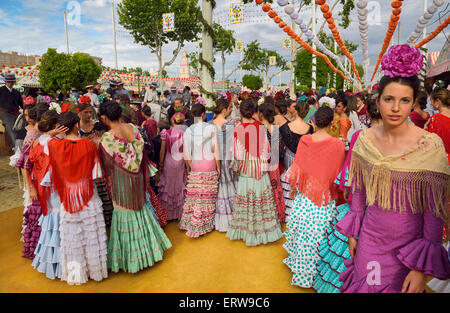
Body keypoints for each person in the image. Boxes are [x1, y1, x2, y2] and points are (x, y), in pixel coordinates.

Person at [336, 45, 450, 293]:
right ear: (378, 102)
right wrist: (353, 233)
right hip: (369, 240)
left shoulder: (430, 145)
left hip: (408, 250)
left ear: (413, 103)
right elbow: (359, 190)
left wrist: (420, 268)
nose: (396, 108)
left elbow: (433, 211)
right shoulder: (365, 140)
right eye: (389, 99)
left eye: (404, 100)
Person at [313, 99, 382, 293]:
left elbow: (351, 164)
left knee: (350, 238)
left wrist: (345, 186)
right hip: (380, 204)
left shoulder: (361, 135)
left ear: (368, 114)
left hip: (361, 195)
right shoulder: (392, 139)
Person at [98, 101, 171, 273]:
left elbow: (110, 164)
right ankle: (150, 253)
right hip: (137, 179)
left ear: (104, 117)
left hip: (121, 183)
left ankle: (133, 260)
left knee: (124, 215)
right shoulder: (134, 129)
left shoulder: (107, 138)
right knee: (140, 211)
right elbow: (139, 154)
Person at [283, 106, 345, 288]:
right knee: (319, 236)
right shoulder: (337, 145)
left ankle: (301, 269)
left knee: (303, 232)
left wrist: (294, 189)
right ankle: (317, 275)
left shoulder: (305, 140)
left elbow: (298, 167)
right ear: (332, 123)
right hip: (324, 196)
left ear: (314, 122)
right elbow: (339, 174)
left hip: (306, 193)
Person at [47, 112, 108, 285]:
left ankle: (75, 275)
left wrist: (53, 133)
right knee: (91, 236)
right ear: (77, 125)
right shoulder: (89, 145)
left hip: (68, 199)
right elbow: (96, 175)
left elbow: (42, 141)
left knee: (73, 240)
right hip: (89, 196)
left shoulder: (54, 145)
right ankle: (96, 273)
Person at [226, 99, 283, 246]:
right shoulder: (260, 127)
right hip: (260, 171)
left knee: (247, 202)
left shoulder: (238, 128)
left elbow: (236, 154)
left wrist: (238, 167)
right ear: (255, 112)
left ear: (240, 112)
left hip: (246, 172)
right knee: (261, 202)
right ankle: (265, 231)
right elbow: (267, 150)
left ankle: (246, 231)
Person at [29, 109, 63, 280]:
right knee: (57, 221)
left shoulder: (37, 141)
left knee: (51, 221)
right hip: (54, 186)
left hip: (43, 187)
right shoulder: (53, 142)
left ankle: (50, 260)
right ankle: (59, 262)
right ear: (56, 126)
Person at [179, 103, 220, 238]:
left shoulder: (189, 130)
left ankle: (191, 222)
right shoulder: (211, 128)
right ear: (203, 114)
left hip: (195, 165)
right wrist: (218, 167)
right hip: (209, 165)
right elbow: (216, 150)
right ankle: (204, 225)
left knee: (195, 196)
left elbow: (186, 152)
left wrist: (188, 167)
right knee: (207, 197)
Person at [16, 104, 46, 259]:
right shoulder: (32, 136)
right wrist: (30, 188)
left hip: (44, 182)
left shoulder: (42, 134)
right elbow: (25, 165)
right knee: (36, 217)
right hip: (36, 182)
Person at [279, 99, 314, 222]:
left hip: (289, 156)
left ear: (296, 110)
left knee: (288, 181)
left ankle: (288, 212)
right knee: (301, 183)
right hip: (304, 158)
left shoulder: (285, 127)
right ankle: (299, 212)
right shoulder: (309, 128)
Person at [209, 98, 238, 232]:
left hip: (214, 160)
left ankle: (221, 220)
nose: (232, 110)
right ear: (224, 109)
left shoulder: (210, 124)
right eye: (230, 108)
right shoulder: (231, 124)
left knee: (219, 187)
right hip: (228, 159)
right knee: (230, 185)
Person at [258, 102, 286, 223]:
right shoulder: (275, 129)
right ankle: (277, 215)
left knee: (263, 191)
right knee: (275, 189)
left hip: (263, 165)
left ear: (260, 115)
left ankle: (265, 217)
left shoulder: (259, 129)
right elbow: (280, 150)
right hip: (274, 164)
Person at [157, 112, 187, 221]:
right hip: (180, 161)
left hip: (169, 161)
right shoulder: (185, 133)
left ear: (172, 121)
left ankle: (168, 214)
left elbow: (162, 150)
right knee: (180, 185)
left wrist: (160, 164)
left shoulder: (166, 133)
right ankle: (180, 213)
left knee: (168, 186)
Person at [0, 73, 23, 153]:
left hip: (15, 113)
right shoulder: (1, 90)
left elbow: (22, 104)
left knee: (21, 127)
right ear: (5, 81)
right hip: (3, 112)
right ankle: (17, 149)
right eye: (9, 82)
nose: (10, 83)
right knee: (10, 126)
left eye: (12, 82)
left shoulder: (16, 92)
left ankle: (13, 146)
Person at [425, 88, 450, 163]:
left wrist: (425, 127)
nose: (430, 104)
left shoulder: (436, 118)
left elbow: (430, 142)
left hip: (443, 162)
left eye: (431, 100)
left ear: (437, 101)